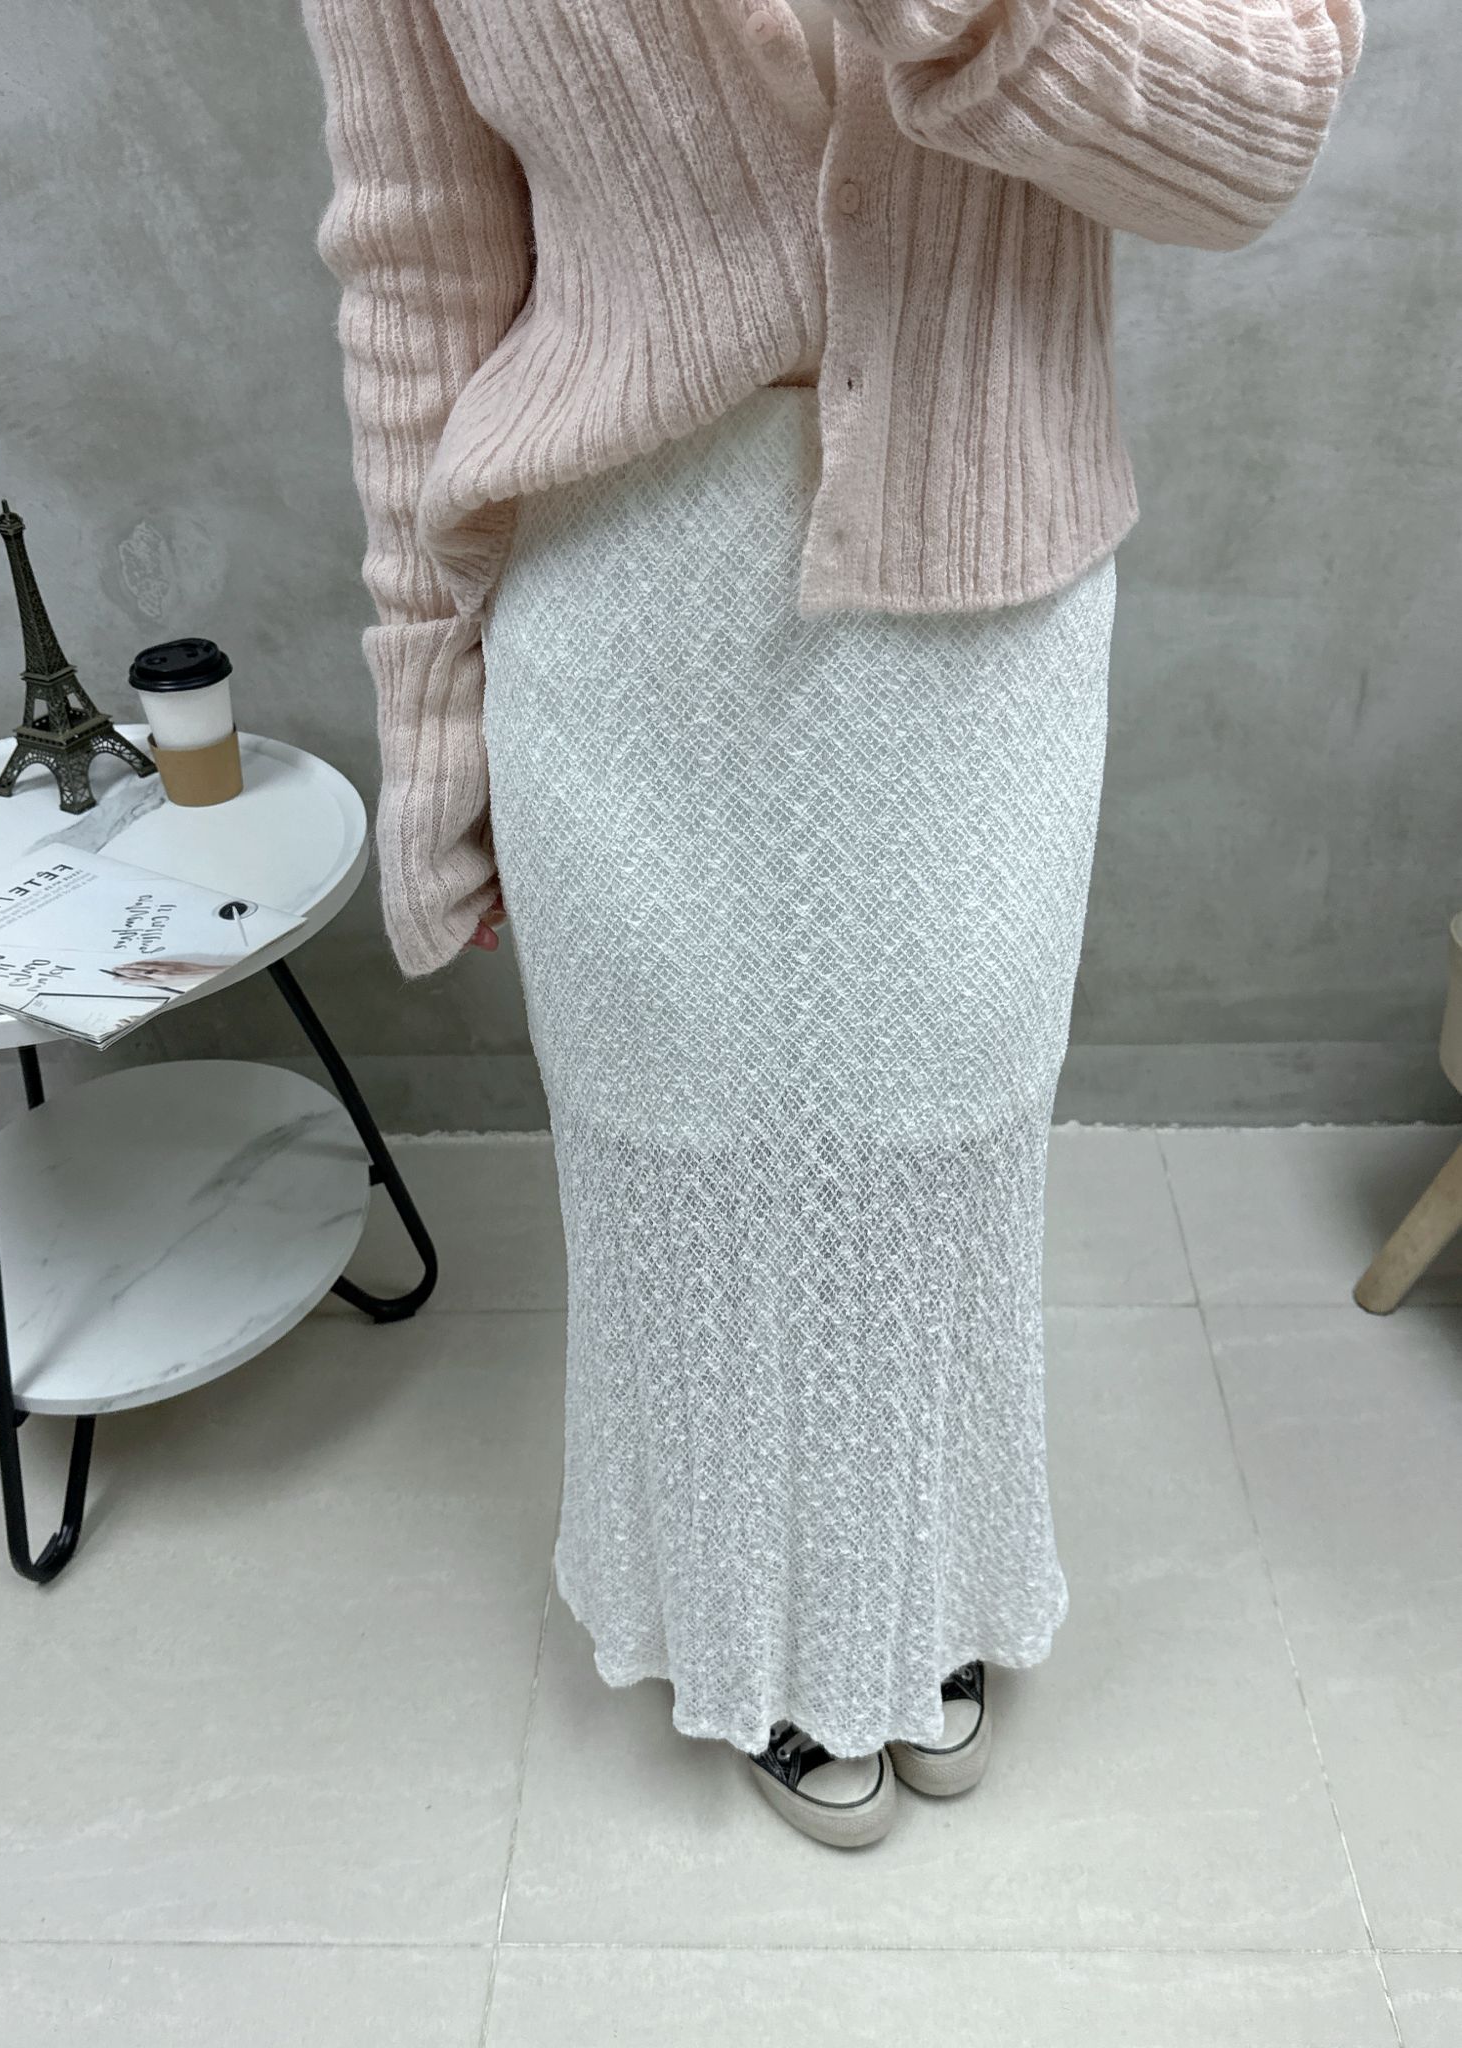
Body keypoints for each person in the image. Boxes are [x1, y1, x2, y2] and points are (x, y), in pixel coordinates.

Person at [299, 0, 1363, 1848]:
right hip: (624, 584)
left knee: (938, 1148)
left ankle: (911, 1599)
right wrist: (430, 708)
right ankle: (755, 1631)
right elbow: (419, 255)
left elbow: (1251, 141)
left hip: (978, 562)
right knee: (686, 1161)